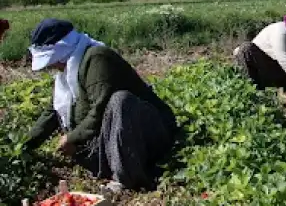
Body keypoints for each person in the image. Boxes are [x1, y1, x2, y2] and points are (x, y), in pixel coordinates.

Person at [23, 19, 177, 192]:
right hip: (115, 135)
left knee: (120, 100)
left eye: (52, 59)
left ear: (63, 50)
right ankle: (114, 163)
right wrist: (24, 145)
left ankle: (126, 178)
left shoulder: (97, 58)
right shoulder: (67, 71)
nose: (51, 65)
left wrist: (73, 137)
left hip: (148, 134)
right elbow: (53, 111)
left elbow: (100, 107)